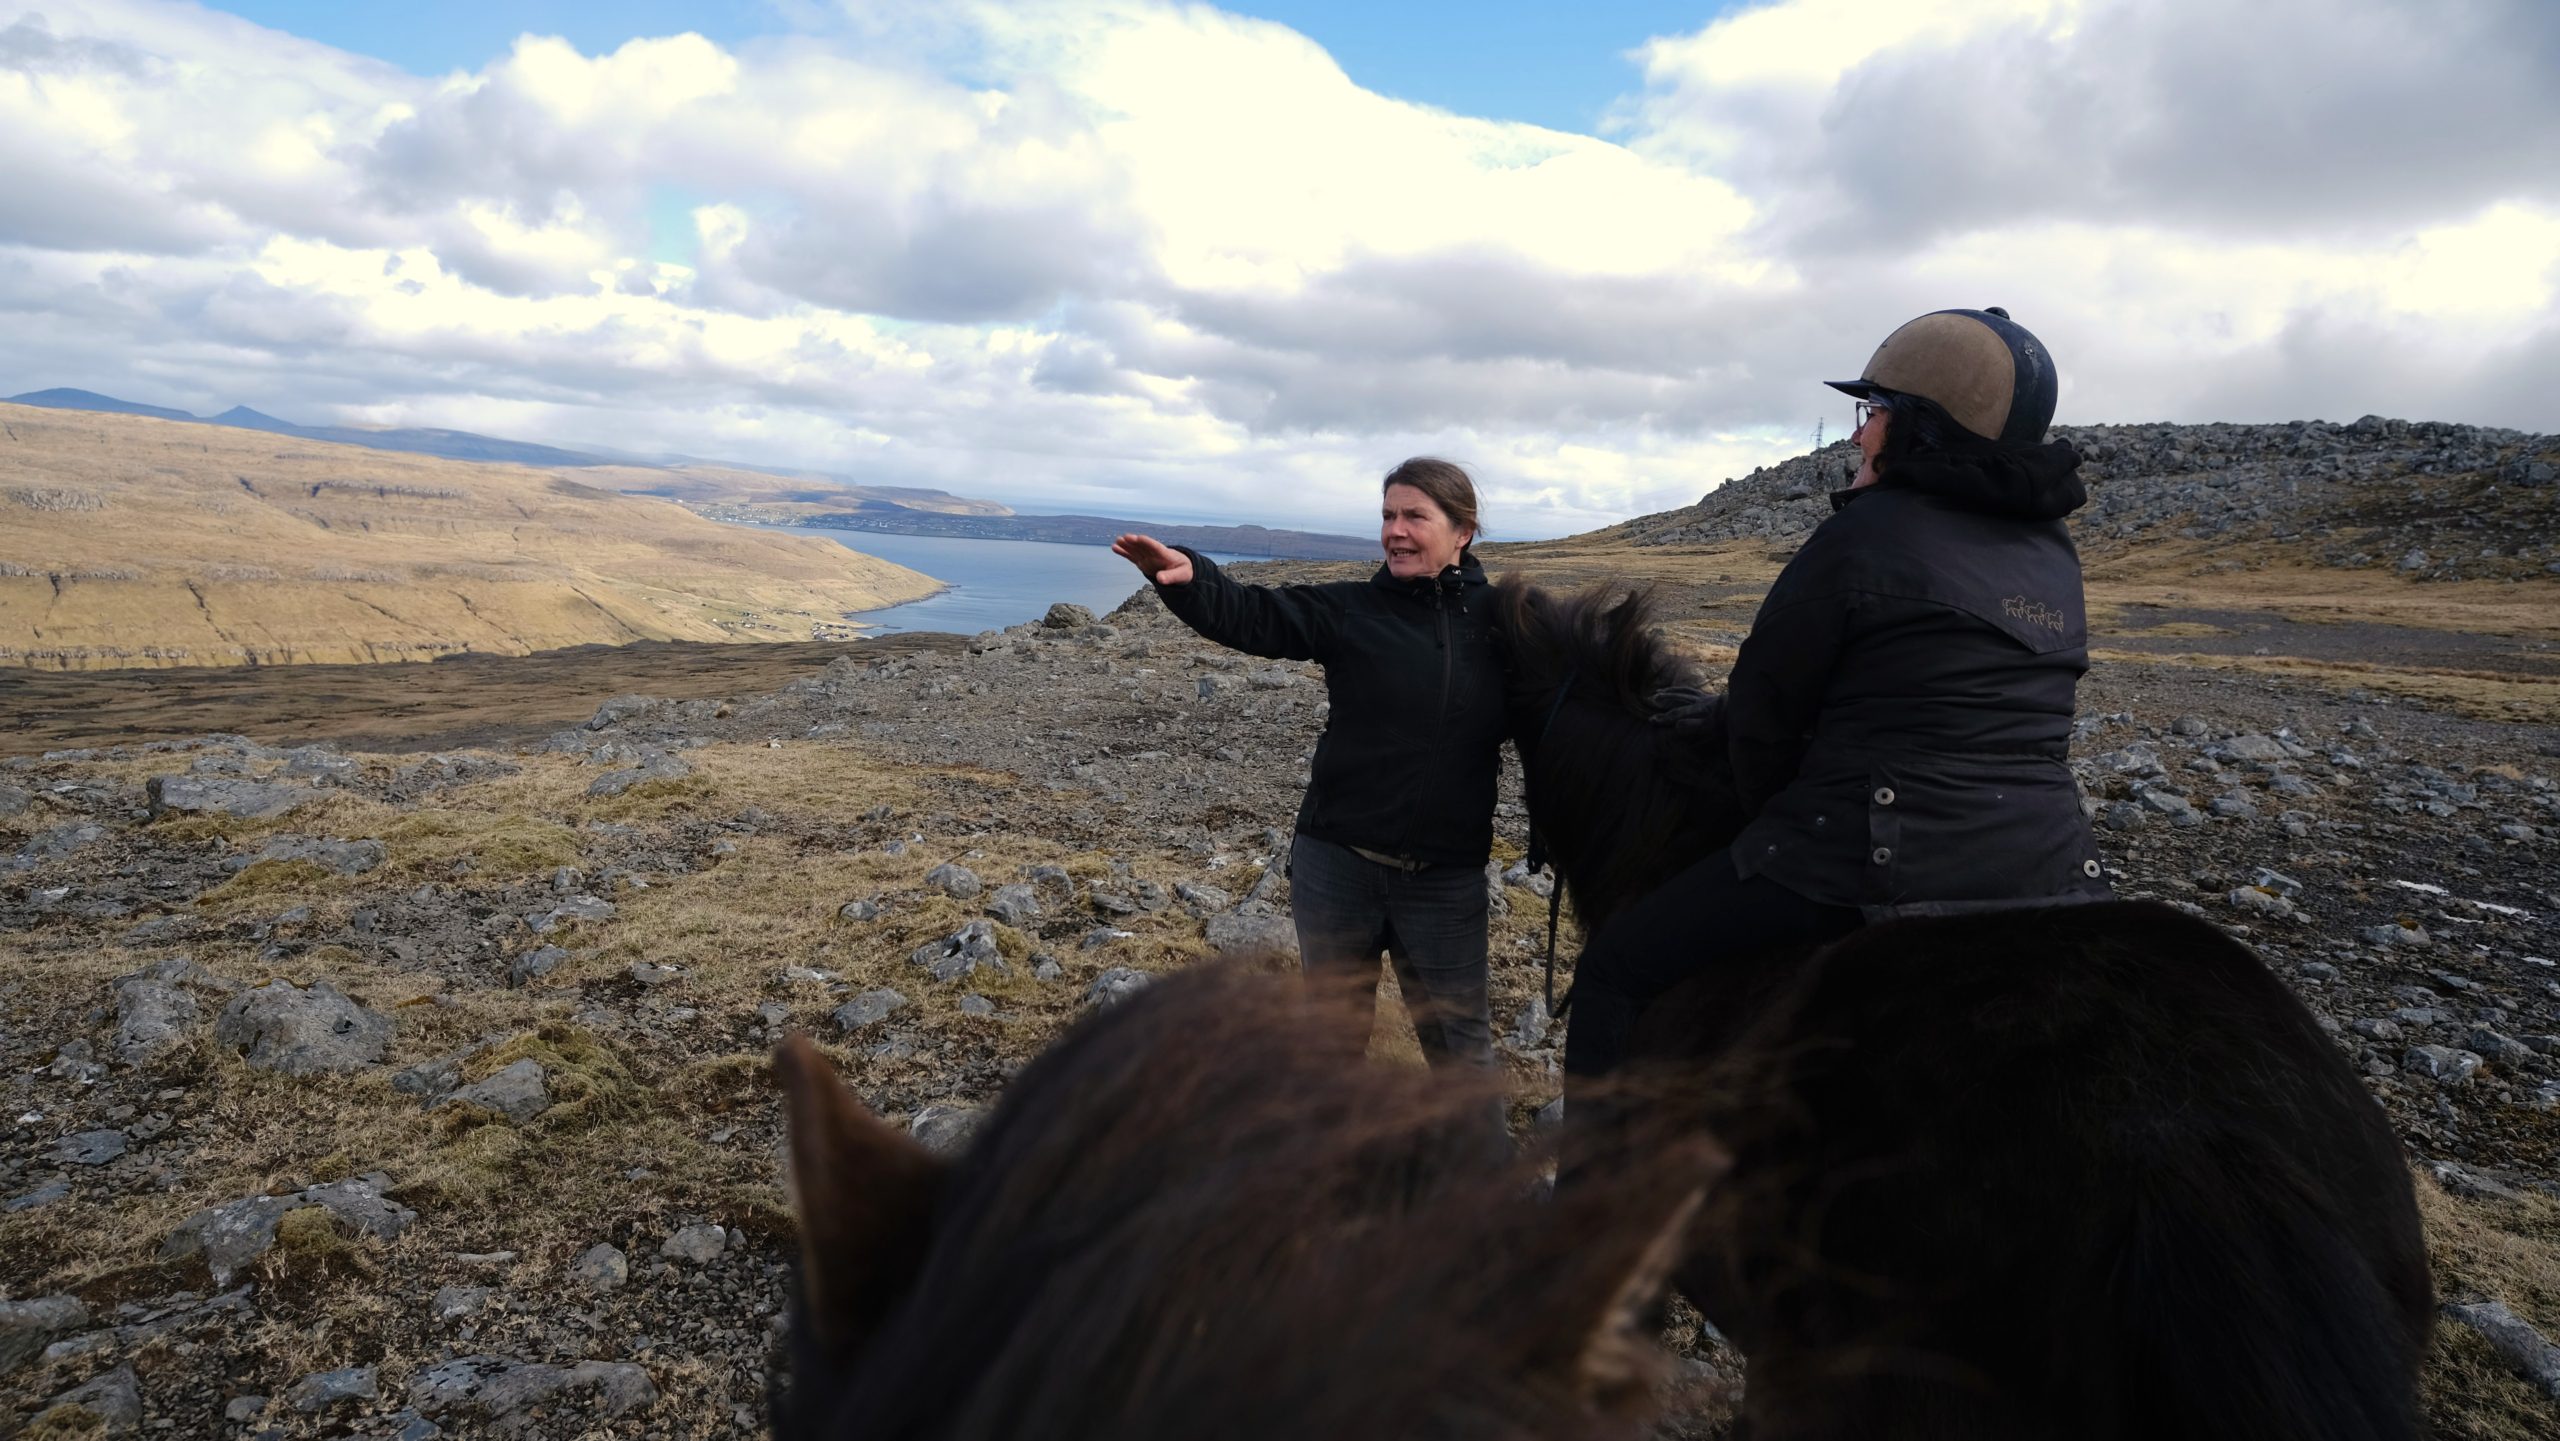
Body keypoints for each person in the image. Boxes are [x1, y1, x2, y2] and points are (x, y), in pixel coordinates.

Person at [1565, 306, 2114, 1088]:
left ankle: (1588, 1202)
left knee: (1617, 969)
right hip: (2049, 858)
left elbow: (1763, 714)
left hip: (1869, 854)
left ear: (1921, 426)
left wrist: (1765, 825)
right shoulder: (2053, 550)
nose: (1859, 434)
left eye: (1876, 412)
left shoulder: (1868, 532)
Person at [1111, 459, 1507, 1073]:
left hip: (1444, 881)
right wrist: (1192, 580)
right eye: (1387, 516)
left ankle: (1478, 1170)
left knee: (1461, 1055)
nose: (1395, 531)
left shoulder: (1505, 626)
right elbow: (1256, 616)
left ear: (1463, 532)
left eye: (1414, 517)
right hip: (1336, 866)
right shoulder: (1353, 610)